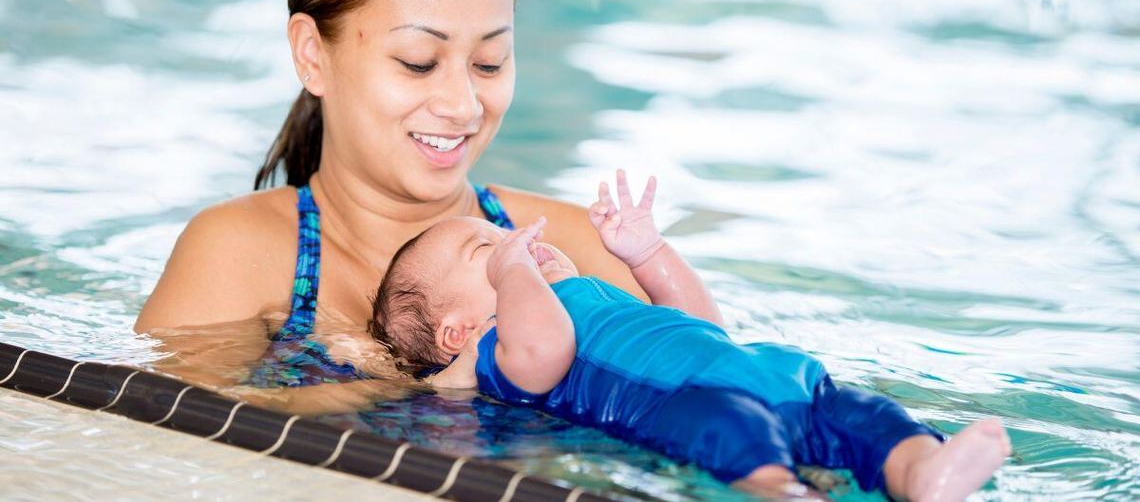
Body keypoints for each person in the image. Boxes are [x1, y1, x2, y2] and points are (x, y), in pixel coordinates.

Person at [134, 0, 647, 394]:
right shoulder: (242, 256)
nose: (463, 105)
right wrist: (393, 386)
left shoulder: (582, 251)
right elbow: (155, 448)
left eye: (489, 63)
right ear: (313, 54)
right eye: (419, 62)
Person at [370, 171, 1011, 501]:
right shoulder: (497, 346)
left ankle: (919, 468)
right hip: (699, 403)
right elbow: (545, 358)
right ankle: (779, 490)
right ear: (458, 328)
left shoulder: (588, 293)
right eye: (487, 248)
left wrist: (649, 255)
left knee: (865, 416)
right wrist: (515, 276)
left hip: (778, 374)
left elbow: (701, 325)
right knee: (738, 441)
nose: (516, 247)